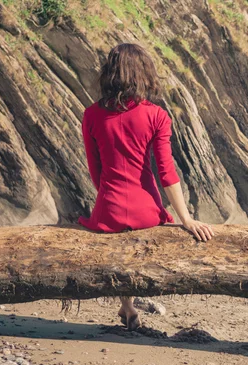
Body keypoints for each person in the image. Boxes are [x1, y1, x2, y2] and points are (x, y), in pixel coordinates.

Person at [78, 43, 214, 330]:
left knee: (118, 240)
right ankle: (131, 303)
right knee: (136, 240)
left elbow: (96, 172)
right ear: (143, 74)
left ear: (110, 73)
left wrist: (108, 200)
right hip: (147, 210)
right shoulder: (157, 115)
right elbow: (166, 172)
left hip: (108, 210)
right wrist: (186, 219)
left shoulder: (91, 114)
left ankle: (126, 306)